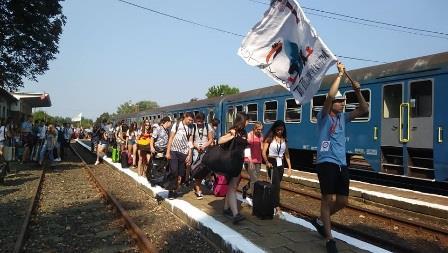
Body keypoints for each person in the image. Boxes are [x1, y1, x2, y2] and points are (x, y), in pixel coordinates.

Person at [311, 62, 369, 253]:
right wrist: (340, 76)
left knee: (343, 201)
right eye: (339, 101)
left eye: (343, 102)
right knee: (327, 199)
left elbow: (364, 109)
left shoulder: (343, 118)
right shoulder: (324, 117)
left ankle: (321, 220)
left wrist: (357, 91)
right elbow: (329, 96)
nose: (342, 104)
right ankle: (329, 239)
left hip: (341, 164)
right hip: (326, 162)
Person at [219, 112, 248, 224]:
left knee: (233, 186)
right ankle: (235, 214)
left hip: (239, 162)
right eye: (247, 120)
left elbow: (244, 146)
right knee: (232, 187)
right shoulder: (233, 130)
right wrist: (231, 135)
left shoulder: (244, 132)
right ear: (242, 120)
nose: (248, 122)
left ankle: (226, 209)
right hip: (230, 162)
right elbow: (220, 140)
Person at [262, 120, 292, 216]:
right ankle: (277, 208)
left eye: (282, 129)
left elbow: (286, 154)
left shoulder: (284, 139)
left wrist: (290, 167)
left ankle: (271, 202)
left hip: (281, 163)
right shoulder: (270, 139)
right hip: (272, 162)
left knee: (276, 185)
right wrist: (266, 162)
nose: (280, 131)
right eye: (278, 129)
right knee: (276, 186)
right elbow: (263, 152)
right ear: (275, 129)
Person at [166, 112, 194, 199]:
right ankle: (171, 191)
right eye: (189, 120)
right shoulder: (177, 125)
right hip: (174, 151)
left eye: (192, 120)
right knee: (174, 171)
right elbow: (171, 138)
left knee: (180, 174)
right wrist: (168, 152)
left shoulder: (191, 128)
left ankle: (175, 189)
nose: (190, 122)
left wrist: (189, 154)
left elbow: (190, 142)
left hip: (184, 153)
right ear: (185, 117)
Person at [191, 112, 213, 199]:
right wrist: (196, 147)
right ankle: (198, 190)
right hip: (196, 151)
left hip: (206, 150)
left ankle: (208, 180)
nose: (199, 123)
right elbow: (191, 140)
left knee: (207, 168)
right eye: (197, 121)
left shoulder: (208, 126)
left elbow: (210, 139)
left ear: (204, 120)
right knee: (198, 170)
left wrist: (204, 146)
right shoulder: (193, 127)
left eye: (201, 121)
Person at [243, 122, 264, 197]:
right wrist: (251, 161)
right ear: (254, 128)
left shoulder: (261, 136)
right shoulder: (249, 135)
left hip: (258, 160)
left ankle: (245, 188)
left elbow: (261, 148)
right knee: (254, 179)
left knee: (255, 179)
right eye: (258, 129)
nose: (260, 131)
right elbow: (246, 149)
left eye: (261, 130)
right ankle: (254, 197)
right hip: (249, 160)